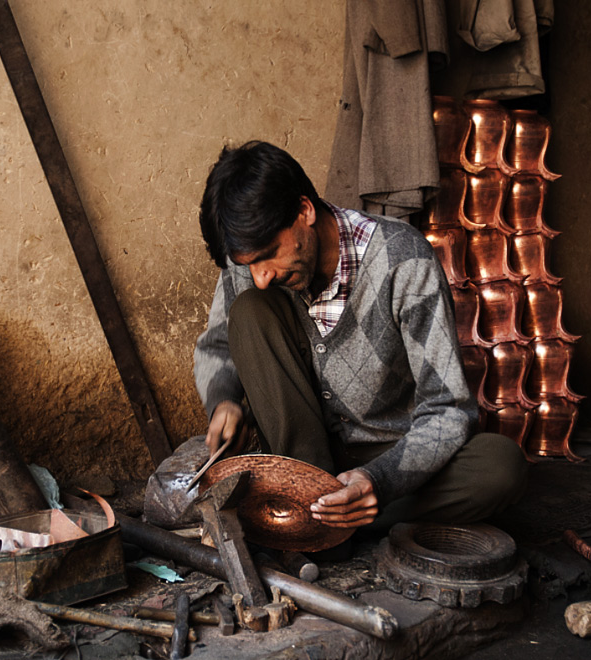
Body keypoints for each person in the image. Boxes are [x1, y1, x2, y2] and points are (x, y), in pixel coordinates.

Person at [193, 140, 527, 533]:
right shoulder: (250, 265)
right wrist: (224, 402)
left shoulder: (403, 260)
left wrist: (378, 481)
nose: (261, 276)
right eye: (248, 264)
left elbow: (448, 410)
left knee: (500, 467)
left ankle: (329, 518)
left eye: (269, 253)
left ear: (304, 211)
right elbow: (217, 345)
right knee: (251, 309)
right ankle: (317, 513)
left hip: (388, 453)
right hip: (297, 454)